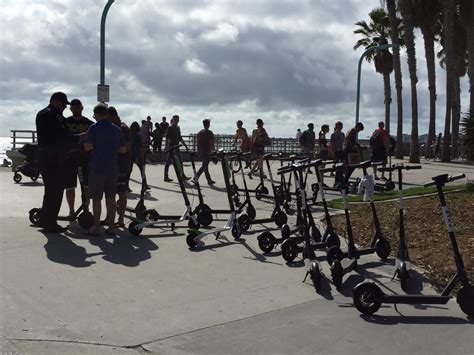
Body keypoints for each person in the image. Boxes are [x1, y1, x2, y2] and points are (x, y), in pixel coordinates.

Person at [35, 92, 76, 233]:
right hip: (53, 157)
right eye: (64, 104)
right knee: (55, 191)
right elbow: (61, 136)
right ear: (57, 102)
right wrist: (78, 138)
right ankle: (50, 223)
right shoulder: (52, 115)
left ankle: (45, 219)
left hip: (46, 155)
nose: (65, 107)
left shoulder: (43, 114)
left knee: (50, 190)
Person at [84, 103, 126, 236]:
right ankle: (112, 227)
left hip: (97, 167)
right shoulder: (117, 130)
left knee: (96, 198)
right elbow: (123, 149)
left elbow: (87, 146)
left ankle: (97, 227)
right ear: (107, 114)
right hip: (113, 168)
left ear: (96, 114)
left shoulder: (94, 128)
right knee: (111, 198)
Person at [64, 99, 94, 218]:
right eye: (74, 107)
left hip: (85, 159)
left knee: (86, 186)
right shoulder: (65, 123)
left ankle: (86, 210)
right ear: (71, 109)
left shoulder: (89, 124)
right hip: (69, 159)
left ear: (82, 108)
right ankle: (71, 211)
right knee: (70, 186)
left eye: (78, 107)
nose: (76, 109)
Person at [108, 106, 131, 227]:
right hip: (113, 164)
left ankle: (121, 218)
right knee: (112, 191)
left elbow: (127, 147)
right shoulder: (115, 127)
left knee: (121, 192)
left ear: (113, 116)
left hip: (121, 164)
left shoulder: (123, 128)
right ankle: (110, 217)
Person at [164, 115, 189, 182]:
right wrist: (166, 146)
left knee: (180, 161)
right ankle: (166, 176)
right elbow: (167, 137)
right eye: (175, 120)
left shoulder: (178, 128)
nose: (176, 121)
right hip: (171, 147)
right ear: (173, 120)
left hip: (177, 147)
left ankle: (182, 175)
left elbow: (180, 137)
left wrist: (185, 145)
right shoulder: (170, 128)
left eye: (177, 120)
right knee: (168, 162)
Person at [192, 119, 216, 185]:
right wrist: (214, 151)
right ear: (208, 124)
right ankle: (196, 177)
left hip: (202, 152)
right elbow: (211, 143)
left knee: (205, 167)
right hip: (208, 152)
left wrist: (198, 151)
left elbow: (198, 143)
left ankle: (209, 180)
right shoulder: (210, 132)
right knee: (204, 166)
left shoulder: (199, 133)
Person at [129, 121, 148, 191]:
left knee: (129, 171)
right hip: (137, 155)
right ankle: (145, 184)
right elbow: (139, 147)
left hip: (130, 155)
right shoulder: (138, 136)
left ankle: (126, 186)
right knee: (142, 170)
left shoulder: (129, 135)